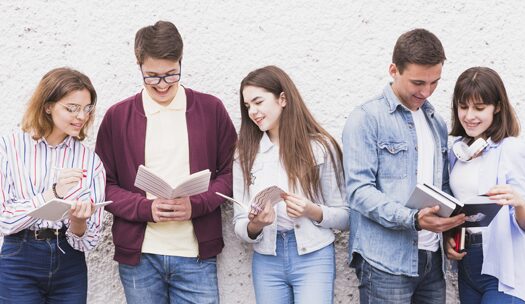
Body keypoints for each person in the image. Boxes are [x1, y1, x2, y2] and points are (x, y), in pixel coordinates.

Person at [95, 21, 237, 304]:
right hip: (140, 258)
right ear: (139, 66)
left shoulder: (211, 110)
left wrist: (194, 204)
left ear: (181, 62)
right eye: (152, 76)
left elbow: (233, 174)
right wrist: (145, 208)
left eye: (171, 75)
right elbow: (102, 185)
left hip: (196, 255)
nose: (162, 85)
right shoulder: (117, 117)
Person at [342, 29, 466, 303]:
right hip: (385, 262)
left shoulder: (436, 122)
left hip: (432, 261)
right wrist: (412, 219)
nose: (426, 91)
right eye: (418, 82)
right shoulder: (366, 118)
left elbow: (440, 186)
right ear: (393, 70)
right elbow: (358, 192)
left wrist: (449, 229)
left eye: (434, 82)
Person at [232, 65, 348, 304]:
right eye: (247, 106)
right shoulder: (244, 154)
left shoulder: (321, 147)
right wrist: (255, 225)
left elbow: (346, 216)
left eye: (258, 102)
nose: (252, 111)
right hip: (267, 259)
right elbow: (238, 222)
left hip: (314, 256)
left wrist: (311, 210)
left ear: (282, 99)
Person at [0, 67, 106, 304]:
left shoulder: (90, 162)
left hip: (69, 262)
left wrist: (79, 221)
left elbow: (89, 241)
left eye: (87, 109)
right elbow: (5, 220)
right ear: (48, 106)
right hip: (19, 257)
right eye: (72, 108)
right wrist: (53, 194)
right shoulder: (8, 148)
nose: (81, 116)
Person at [444, 67, 525, 303]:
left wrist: (519, 202)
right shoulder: (457, 151)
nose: (469, 115)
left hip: (502, 269)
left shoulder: (511, 149)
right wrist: (449, 238)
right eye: (463, 107)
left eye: (479, 108)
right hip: (466, 262)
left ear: (497, 107)